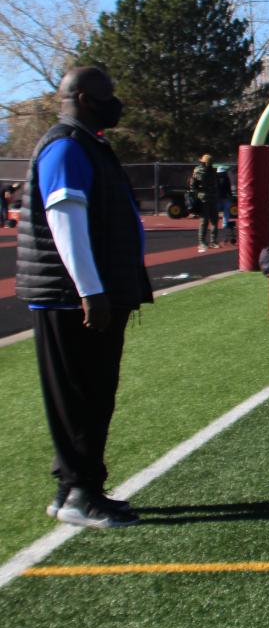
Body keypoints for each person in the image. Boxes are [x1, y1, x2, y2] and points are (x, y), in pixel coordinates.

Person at [18, 66, 152, 528]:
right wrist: (90, 291)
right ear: (81, 97)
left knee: (93, 396)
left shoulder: (88, 144)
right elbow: (65, 218)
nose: (115, 101)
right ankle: (79, 493)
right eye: (106, 94)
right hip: (69, 299)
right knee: (81, 397)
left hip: (90, 295)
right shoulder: (67, 147)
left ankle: (77, 487)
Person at [188, 153, 220, 251]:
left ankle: (210, 242)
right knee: (207, 221)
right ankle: (205, 242)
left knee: (209, 221)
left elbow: (192, 186)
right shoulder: (207, 171)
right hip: (206, 199)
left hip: (209, 198)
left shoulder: (201, 171)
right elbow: (193, 186)